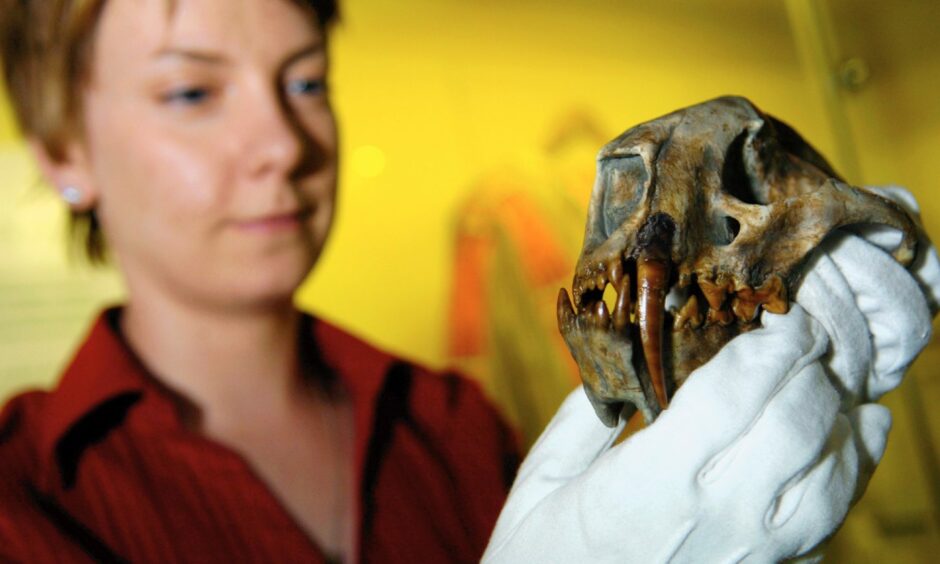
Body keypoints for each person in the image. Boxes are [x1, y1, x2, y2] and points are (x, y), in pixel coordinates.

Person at [1, 1, 937, 563]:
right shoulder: (24, 502)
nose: (284, 148)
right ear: (62, 151)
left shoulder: (453, 422)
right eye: (192, 92)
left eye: (304, 82)